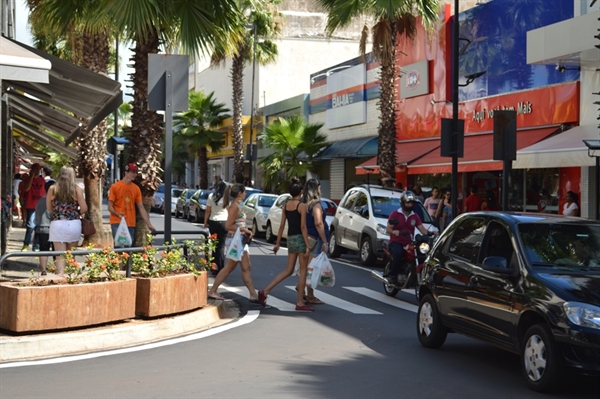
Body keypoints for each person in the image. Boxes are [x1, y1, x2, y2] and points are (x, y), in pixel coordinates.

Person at [258, 178, 312, 311]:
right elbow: (303, 227)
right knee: (303, 271)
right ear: (301, 191)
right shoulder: (302, 206)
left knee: (288, 270)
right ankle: (299, 302)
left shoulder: (286, 205)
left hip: (290, 239)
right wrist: (307, 245)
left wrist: (277, 243)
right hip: (300, 238)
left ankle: (265, 291)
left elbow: (281, 226)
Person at [208, 183, 259, 302]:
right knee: (230, 267)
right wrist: (244, 230)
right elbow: (228, 225)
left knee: (246, 267)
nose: (246, 194)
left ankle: (253, 294)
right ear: (240, 193)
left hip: (239, 240)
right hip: (236, 241)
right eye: (244, 192)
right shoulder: (234, 207)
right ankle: (213, 291)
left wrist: (244, 231)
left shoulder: (237, 206)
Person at [386, 191, 435, 285]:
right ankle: (392, 275)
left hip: (408, 243)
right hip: (396, 242)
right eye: (407, 203)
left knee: (421, 255)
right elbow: (388, 229)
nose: (409, 205)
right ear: (403, 203)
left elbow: (422, 229)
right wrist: (393, 232)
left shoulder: (415, 216)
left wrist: (432, 233)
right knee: (399, 253)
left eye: (411, 203)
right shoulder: (395, 214)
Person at [47, 166, 88, 274]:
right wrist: (75, 213)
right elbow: (84, 208)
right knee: (70, 256)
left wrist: (59, 213)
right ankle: (70, 281)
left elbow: (49, 208)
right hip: (73, 223)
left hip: (57, 223)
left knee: (60, 256)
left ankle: (59, 279)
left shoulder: (52, 189)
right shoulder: (76, 189)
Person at [107, 163, 155, 246]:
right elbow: (110, 207)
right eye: (133, 172)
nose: (135, 174)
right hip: (117, 222)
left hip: (130, 223)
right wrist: (117, 214)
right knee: (119, 247)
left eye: (136, 172)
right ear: (126, 172)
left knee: (128, 249)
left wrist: (149, 224)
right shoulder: (115, 187)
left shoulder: (136, 189)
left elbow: (141, 208)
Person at [302, 178, 330, 305]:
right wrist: (325, 240)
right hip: (315, 239)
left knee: (306, 267)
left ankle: (303, 291)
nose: (320, 189)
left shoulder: (304, 203)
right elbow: (318, 223)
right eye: (319, 187)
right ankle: (310, 295)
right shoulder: (316, 204)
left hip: (305, 237)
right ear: (315, 189)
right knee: (312, 269)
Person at [204, 180, 229, 275]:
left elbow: (207, 210)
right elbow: (230, 210)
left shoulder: (211, 196)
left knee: (214, 245)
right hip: (223, 222)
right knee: (221, 246)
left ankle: (213, 267)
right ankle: (221, 267)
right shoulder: (226, 198)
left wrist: (205, 222)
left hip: (213, 221)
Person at [20, 163, 46, 251]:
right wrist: (31, 177)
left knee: (38, 227)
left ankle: (36, 246)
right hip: (30, 205)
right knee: (30, 226)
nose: (37, 171)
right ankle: (26, 244)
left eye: (38, 170)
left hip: (40, 207)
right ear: (32, 170)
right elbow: (26, 189)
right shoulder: (26, 180)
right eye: (36, 169)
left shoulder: (42, 180)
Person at [35, 180, 55, 275]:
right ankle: (58, 270)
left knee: (43, 250)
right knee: (57, 251)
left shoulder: (40, 201)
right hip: (53, 228)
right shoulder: (54, 201)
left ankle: (43, 270)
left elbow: (36, 213)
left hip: (41, 228)